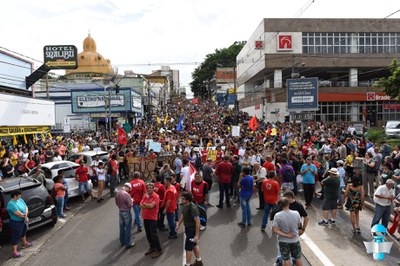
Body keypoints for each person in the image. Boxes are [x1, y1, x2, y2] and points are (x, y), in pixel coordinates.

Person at [272, 197, 303, 266]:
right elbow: (299, 225)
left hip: (284, 241)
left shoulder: (277, 215)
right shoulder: (296, 213)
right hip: (295, 239)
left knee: (286, 259)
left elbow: (274, 229)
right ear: (289, 203)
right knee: (298, 258)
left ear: (280, 205)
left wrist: (286, 235)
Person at [176, 191, 204, 266]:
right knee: (194, 245)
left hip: (192, 230)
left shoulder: (193, 208)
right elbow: (183, 214)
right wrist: (178, 224)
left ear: (187, 200)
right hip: (188, 229)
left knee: (188, 248)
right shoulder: (185, 205)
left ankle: (187, 265)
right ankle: (199, 262)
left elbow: (198, 222)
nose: (181, 200)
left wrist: (196, 235)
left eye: (183, 199)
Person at [7, 189, 32, 258]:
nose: (20, 195)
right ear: (15, 195)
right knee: (16, 235)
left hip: (22, 220)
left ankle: (24, 243)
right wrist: (25, 217)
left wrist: (26, 214)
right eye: (19, 194)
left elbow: (26, 207)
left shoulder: (20, 200)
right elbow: (18, 214)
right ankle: (14, 252)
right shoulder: (11, 204)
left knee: (23, 232)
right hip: (16, 222)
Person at [140, 182, 162, 258]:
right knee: (148, 234)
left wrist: (145, 204)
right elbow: (140, 205)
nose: (149, 189)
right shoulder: (145, 195)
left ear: (153, 188)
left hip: (152, 218)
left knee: (154, 235)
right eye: (147, 188)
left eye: (150, 188)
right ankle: (152, 247)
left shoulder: (156, 196)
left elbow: (152, 206)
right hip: (145, 217)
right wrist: (147, 205)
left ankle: (159, 249)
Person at [115, 183, 135, 249]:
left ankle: (122, 241)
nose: (129, 191)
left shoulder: (118, 193)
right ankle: (128, 243)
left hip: (120, 211)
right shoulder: (126, 194)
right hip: (126, 211)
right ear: (128, 188)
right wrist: (132, 200)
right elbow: (130, 205)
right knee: (128, 228)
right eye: (129, 189)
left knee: (121, 227)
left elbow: (116, 203)